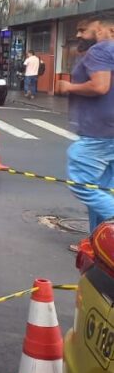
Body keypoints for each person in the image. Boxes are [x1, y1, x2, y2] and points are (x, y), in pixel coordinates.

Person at [58, 14, 114, 233]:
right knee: (104, 189)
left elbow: (100, 86)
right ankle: (101, 245)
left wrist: (69, 87)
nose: (78, 35)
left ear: (104, 30)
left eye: (84, 30)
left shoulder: (101, 50)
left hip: (99, 132)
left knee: (80, 183)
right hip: (108, 132)